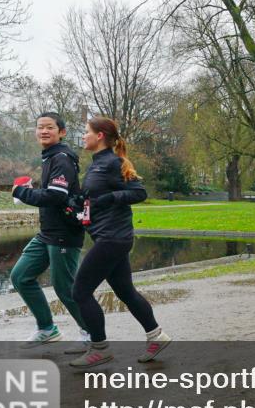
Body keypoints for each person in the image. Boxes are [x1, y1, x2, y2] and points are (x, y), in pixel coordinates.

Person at [69, 117, 170, 368]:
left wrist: (110, 198)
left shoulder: (114, 163)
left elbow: (139, 192)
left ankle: (99, 349)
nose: (83, 136)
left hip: (113, 238)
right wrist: (79, 202)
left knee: (80, 291)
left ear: (100, 135)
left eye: (86, 132)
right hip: (109, 237)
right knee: (125, 291)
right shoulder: (96, 164)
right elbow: (95, 196)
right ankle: (156, 336)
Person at [10, 112, 91, 350]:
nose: (44, 131)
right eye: (40, 127)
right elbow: (53, 193)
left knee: (65, 288)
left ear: (62, 132)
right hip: (47, 233)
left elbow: (56, 196)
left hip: (65, 233)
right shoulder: (49, 157)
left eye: (50, 127)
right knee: (20, 276)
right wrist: (29, 190)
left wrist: (22, 193)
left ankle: (92, 334)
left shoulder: (62, 159)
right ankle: (47, 329)